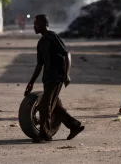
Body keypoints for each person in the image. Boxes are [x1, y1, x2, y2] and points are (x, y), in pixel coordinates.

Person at [25, 14, 85, 143]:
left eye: (36, 24)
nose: (34, 26)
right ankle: (75, 126)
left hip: (57, 77)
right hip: (47, 78)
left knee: (45, 105)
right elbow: (39, 65)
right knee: (55, 107)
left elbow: (66, 54)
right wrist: (31, 82)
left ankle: (45, 135)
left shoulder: (53, 37)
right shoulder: (41, 43)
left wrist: (66, 73)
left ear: (44, 24)